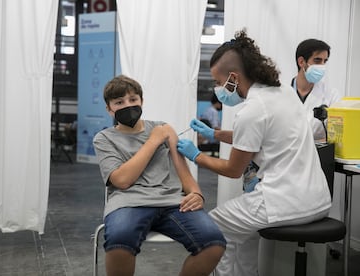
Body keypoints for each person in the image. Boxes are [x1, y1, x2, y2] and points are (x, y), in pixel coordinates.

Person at [177, 30, 332, 276]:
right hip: (319, 199)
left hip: (286, 202)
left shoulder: (251, 110)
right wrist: (215, 133)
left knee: (213, 226)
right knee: (241, 230)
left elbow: (232, 169)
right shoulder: (283, 92)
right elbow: (258, 137)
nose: (218, 89)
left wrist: (196, 155)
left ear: (233, 78)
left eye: (219, 82)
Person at [92, 75, 226, 276]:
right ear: (109, 109)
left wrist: (197, 194)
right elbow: (122, 180)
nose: (128, 105)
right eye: (119, 102)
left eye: (133, 99)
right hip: (129, 202)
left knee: (213, 243)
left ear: (142, 101)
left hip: (173, 202)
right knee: (120, 240)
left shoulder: (164, 128)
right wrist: (153, 141)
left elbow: (184, 173)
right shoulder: (104, 138)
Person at [292, 38, 341, 142]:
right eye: (317, 60)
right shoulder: (281, 92)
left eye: (325, 61)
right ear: (301, 62)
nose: (322, 66)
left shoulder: (331, 95)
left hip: (317, 155)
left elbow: (335, 137)